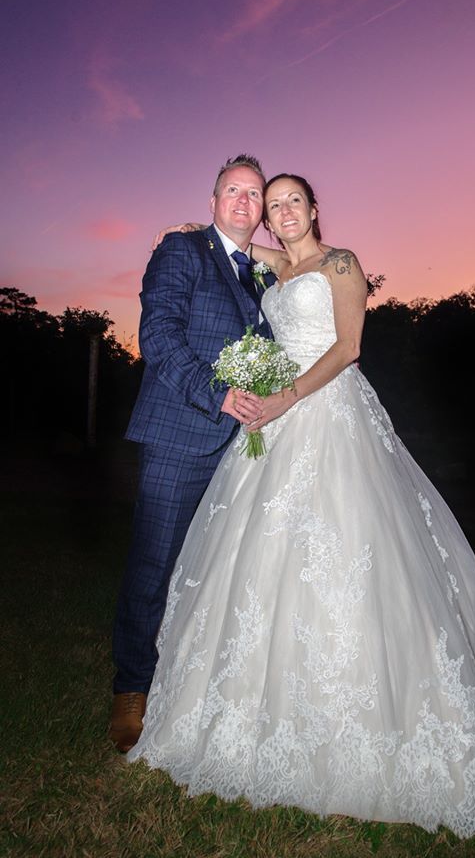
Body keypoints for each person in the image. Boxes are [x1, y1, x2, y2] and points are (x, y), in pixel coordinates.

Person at [128, 173, 475, 841]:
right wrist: (192, 231)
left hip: (329, 411)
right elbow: (225, 246)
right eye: (270, 203)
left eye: (291, 201)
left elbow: (348, 348)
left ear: (314, 208)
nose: (280, 211)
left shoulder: (341, 263)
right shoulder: (272, 264)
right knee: (260, 560)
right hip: (275, 423)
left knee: (353, 550)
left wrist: (287, 398)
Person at [110, 154, 277, 753]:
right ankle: (132, 689)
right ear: (211, 202)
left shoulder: (263, 272)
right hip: (180, 435)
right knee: (154, 566)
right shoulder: (182, 251)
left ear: (261, 213)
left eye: (254, 194)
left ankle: (189, 681)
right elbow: (157, 335)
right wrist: (218, 395)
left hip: (244, 450)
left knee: (214, 573)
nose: (243, 200)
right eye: (232, 190)